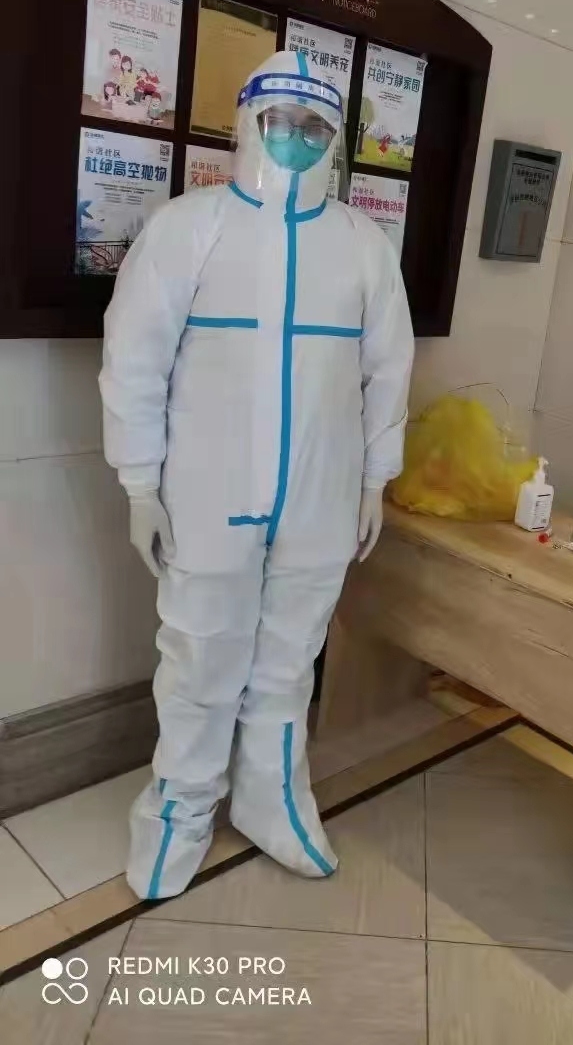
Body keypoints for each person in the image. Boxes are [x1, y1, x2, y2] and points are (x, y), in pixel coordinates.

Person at [100, 49, 414, 900]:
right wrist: (139, 483)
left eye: (315, 127)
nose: (296, 140)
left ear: (336, 139)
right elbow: (134, 361)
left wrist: (374, 480)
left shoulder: (362, 245)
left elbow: (388, 371)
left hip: (320, 497)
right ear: (247, 123)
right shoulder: (188, 229)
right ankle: (179, 813)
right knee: (199, 658)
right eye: (280, 122)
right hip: (207, 495)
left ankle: (273, 801)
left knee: (287, 662)